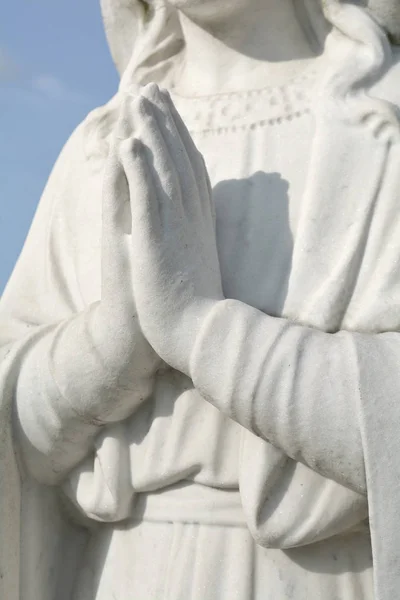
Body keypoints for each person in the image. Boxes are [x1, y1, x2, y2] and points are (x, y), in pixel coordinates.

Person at [2, 0, 400, 598]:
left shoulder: (383, 130)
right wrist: (109, 348)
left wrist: (201, 331)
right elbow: (15, 422)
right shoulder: (100, 145)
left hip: (319, 577)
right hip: (120, 571)